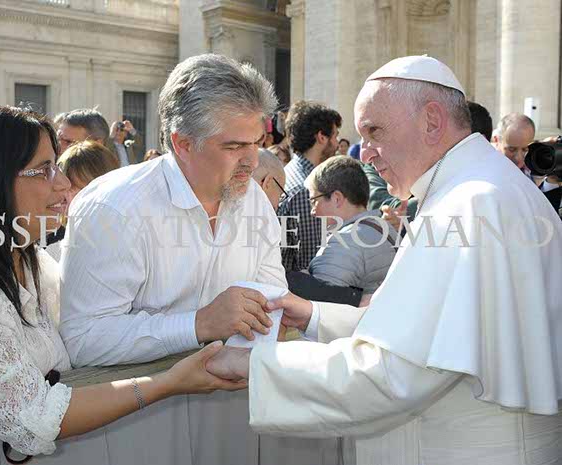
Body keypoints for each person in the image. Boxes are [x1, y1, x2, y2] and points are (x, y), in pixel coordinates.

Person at [206, 55, 562, 464]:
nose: (367, 154)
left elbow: (394, 373)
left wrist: (255, 364)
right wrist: (314, 316)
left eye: (374, 131)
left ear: (431, 121)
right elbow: (421, 329)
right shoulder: (482, 186)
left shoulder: (468, 203)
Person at [0, 105, 244, 459]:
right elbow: (35, 420)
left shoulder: (34, 262)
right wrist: (170, 382)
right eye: (43, 170)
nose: (64, 183)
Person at [60, 53, 292, 465]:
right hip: (135, 432)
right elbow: (84, 339)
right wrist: (199, 324)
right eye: (234, 146)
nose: (253, 161)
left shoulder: (253, 199)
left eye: (257, 142)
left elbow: (271, 303)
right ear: (183, 143)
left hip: (235, 426)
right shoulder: (114, 208)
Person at [306, 156, 397, 294]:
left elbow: (321, 300)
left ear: (337, 198)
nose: (313, 211)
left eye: (314, 201)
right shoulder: (386, 228)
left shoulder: (342, 242)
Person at [278, 100, 342, 271]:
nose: (337, 144)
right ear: (321, 137)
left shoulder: (289, 172)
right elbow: (313, 265)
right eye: (335, 136)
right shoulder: (306, 191)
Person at [46, 139, 120, 260]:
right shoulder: (53, 251)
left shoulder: (125, 247)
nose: (64, 195)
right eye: (60, 185)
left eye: (74, 187)